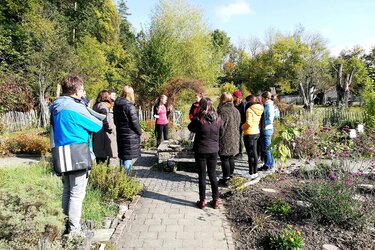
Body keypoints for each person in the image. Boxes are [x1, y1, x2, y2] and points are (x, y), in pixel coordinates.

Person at [50, 75, 103, 236]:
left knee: (67, 190)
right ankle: (74, 231)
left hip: (62, 153)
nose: (83, 91)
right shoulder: (74, 107)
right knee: (77, 193)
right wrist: (84, 105)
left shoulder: (56, 106)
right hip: (78, 153)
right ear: (75, 91)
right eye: (82, 89)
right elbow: (97, 125)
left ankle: (66, 224)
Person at [188, 97, 223, 209]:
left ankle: (202, 201)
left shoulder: (199, 119)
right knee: (212, 174)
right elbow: (221, 133)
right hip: (213, 150)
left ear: (201, 106)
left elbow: (190, 128)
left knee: (202, 176)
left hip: (201, 150)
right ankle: (215, 201)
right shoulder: (218, 119)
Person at [113, 86, 142, 173]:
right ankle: (127, 179)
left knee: (123, 156)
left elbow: (115, 121)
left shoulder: (116, 105)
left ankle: (122, 177)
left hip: (121, 134)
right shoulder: (129, 106)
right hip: (130, 135)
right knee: (127, 158)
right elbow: (135, 122)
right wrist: (139, 132)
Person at [217, 92, 241, 186]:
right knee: (231, 157)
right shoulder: (236, 110)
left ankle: (226, 179)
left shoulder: (221, 111)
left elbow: (219, 126)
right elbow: (238, 124)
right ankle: (230, 176)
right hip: (235, 136)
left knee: (225, 158)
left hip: (225, 137)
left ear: (223, 100)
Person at [92, 90, 117, 165]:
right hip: (103, 135)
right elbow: (104, 120)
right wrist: (110, 129)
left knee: (99, 157)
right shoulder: (103, 106)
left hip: (97, 133)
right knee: (104, 157)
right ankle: (103, 175)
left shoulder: (96, 105)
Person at [242, 95, 264, 179]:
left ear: (248, 101)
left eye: (246, 102)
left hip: (249, 133)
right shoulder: (260, 108)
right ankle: (255, 172)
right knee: (254, 153)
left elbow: (248, 123)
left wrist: (242, 127)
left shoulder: (249, 110)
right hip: (256, 132)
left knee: (250, 154)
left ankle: (251, 173)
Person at [260, 91, 275, 170]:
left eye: (262, 98)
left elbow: (269, 119)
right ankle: (271, 163)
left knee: (266, 148)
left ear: (265, 98)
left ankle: (268, 165)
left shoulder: (268, 106)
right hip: (267, 128)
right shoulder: (268, 105)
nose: (261, 99)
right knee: (268, 148)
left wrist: (263, 125)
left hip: (266, 129)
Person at [233, 90, 246, 158]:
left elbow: (244, 115)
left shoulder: (242, 104)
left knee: (240, 138)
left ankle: (240, 152)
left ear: (237, 97)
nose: (233, 97)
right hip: (234, 123)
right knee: (235, 137)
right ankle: (235, 151)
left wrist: (242, 124)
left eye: (234, 96)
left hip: (240, 123)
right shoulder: (233, 103)